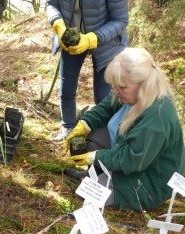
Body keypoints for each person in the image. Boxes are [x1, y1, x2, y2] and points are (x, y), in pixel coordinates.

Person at [64, 48, 185, 211]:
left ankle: (110, 185)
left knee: (86, 195)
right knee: (92, 123)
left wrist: (93, 157)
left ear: (142, 84)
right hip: (130, 160)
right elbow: (108, 105)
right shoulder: (134, 93)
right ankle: (98, 177)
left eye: (121, 87)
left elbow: (132, 158)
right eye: (114, 85)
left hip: (148, 182)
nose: (115, 90)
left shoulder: (158, 116)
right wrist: (84, 125)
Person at [47, 0, 129, 141]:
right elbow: (52, 4)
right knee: (67, 88)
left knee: (103, 96)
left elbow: (120, 20)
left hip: (106, 42)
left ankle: (104, 134)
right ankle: (68, 127)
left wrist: (93, 39)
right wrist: (58, 25)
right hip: (71, 37)